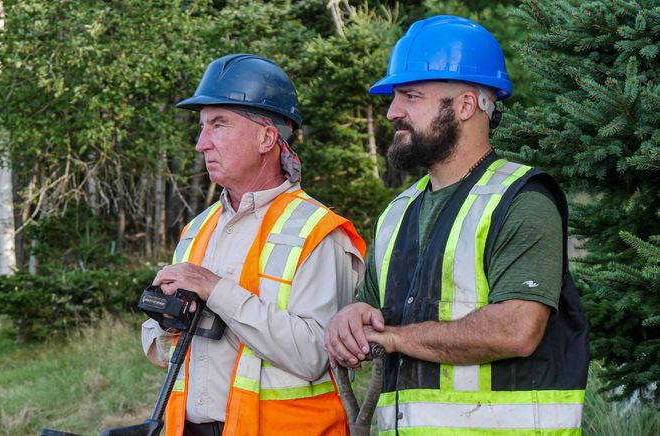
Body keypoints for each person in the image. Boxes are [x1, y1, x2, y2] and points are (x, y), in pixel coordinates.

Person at [324, 15, 589, 435]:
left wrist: (395, 338)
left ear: (466, 106)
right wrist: (353, 316)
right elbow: (373, 311)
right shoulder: (398, 212)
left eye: (411, 95)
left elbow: (518, 328)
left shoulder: (522, 199)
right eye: (395, 97)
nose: (393, 111)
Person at [142, 53, 366, 436]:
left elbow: (314, 355)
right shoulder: (198, 228)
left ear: (266, 138)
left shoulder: (317, 231)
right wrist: (166, 319)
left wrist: (216, 291)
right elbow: (155, 339)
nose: (201, 144)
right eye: (201, 127)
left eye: (219, 125)